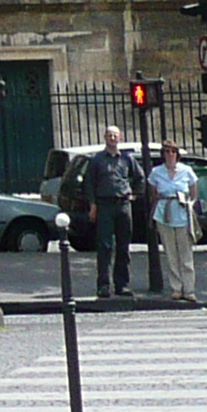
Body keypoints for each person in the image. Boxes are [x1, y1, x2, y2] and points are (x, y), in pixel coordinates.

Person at [84, 126, 141, 297]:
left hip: (123, 205)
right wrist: (93, 205)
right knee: (104, 247)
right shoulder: (97, 160)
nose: (112, 138)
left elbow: (140, 178)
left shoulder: (127, 158)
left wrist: (135, 194)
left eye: (115, 135)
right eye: (109, 135)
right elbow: (89, 184)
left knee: (123, 247)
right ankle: (103, 285)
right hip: (104, 206)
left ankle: (122, 285)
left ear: (120, 138)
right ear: (105, 137)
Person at [147, 140, 202, 300]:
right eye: (166, 151)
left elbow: (194, 193)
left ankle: (189, 289)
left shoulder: (187, 171)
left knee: (185, 255)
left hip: (182, 214)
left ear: (177, 154)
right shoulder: (157, 172)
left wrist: (188, 205)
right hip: (164, 214)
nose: (170, 154)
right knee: (171, 254)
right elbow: (153, 193)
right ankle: (176, 288)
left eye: (173, 151)